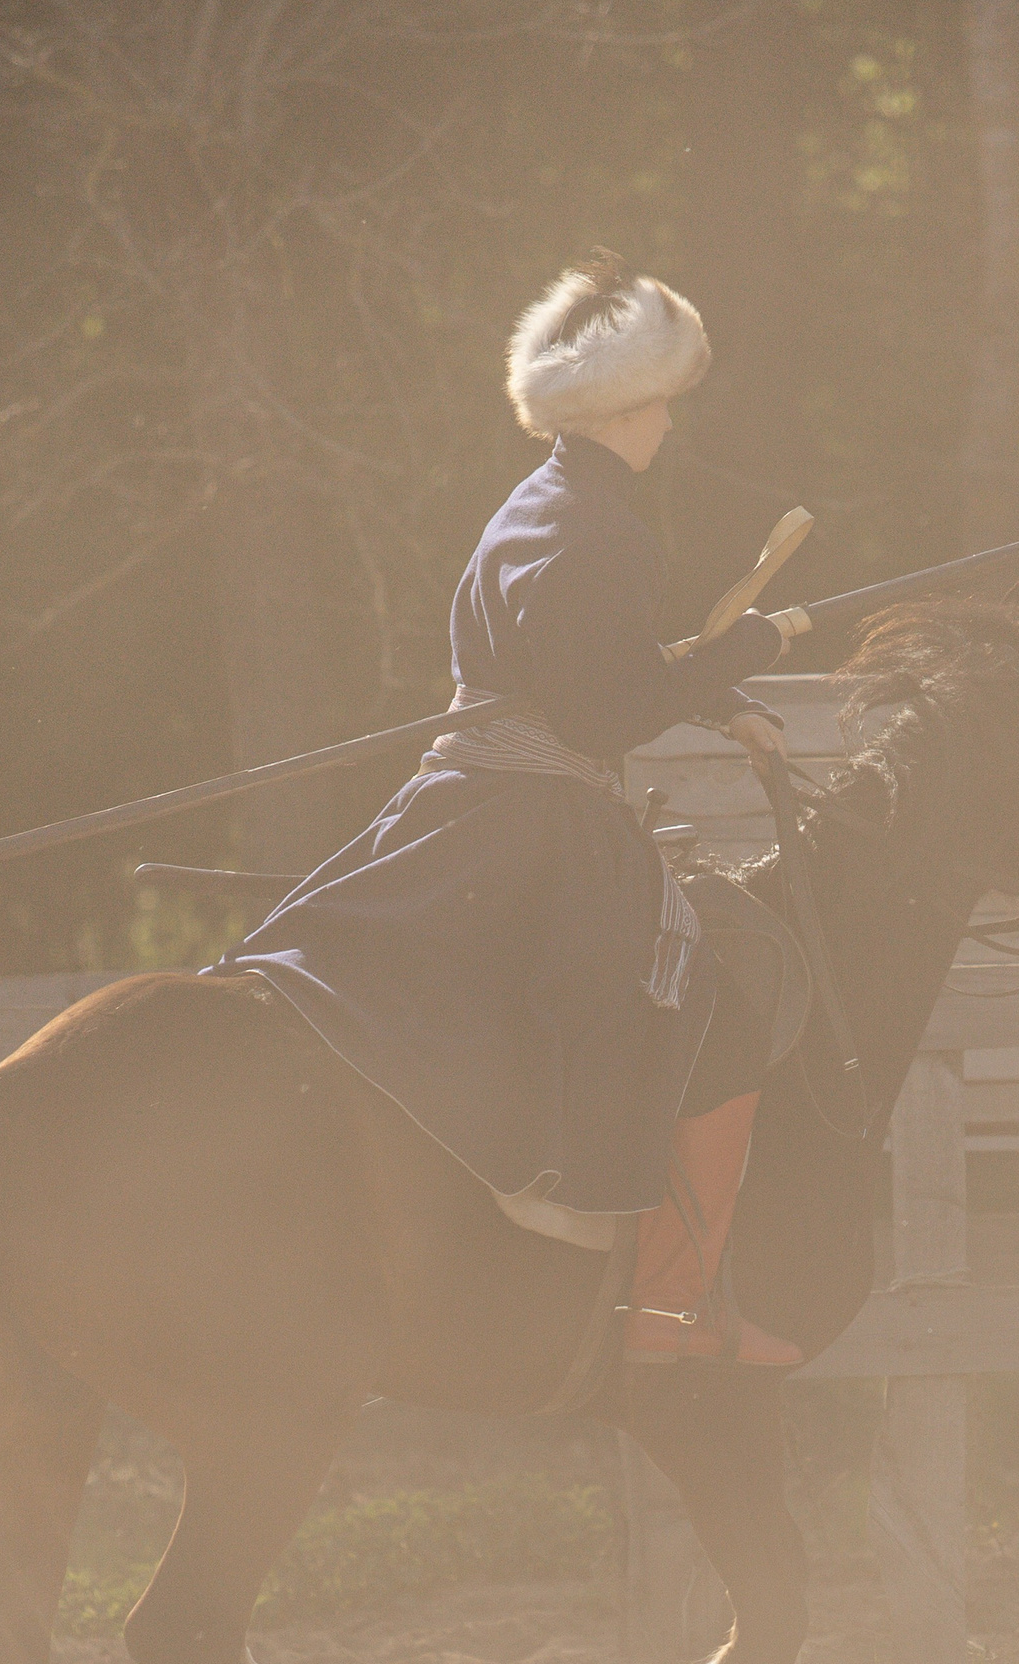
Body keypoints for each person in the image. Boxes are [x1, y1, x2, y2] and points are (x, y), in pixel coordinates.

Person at [218, 250, 802, 1366]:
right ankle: (656, 1295)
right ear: (630, 408)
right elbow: (603, 715)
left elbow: (592, 666)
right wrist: (757, 643)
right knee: (696, 985)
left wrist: (719, 695)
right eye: (665, 407)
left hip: (462, 797)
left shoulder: (539, 504)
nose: (670, 428)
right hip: (540, 814)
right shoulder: (609, 532)